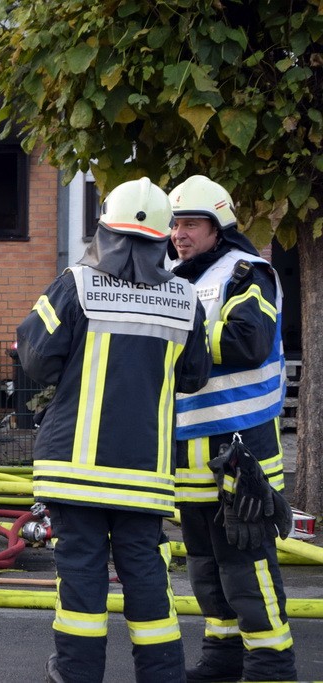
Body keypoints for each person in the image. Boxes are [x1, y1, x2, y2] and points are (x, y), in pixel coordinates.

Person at [16, 177, 211, 683]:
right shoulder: (185, 300)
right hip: (145, 475)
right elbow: (194, 376)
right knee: (147, 579)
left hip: (73, 472)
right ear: (164, 239)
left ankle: (77, 676)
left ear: (104, 230)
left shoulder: (75, 284)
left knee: (81, 583)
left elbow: (34, 358)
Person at [169, 174, 297, 682]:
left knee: (245, 559)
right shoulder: (177, 280)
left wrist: (179, 333)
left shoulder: (247, 273)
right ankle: (223, 654)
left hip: (238, 446)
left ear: (218, 227)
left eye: (192, 223)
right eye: (175, 223)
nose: (180, 233)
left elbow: (249, 340)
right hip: (187, 449)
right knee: (203, 561)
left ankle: (270, 662)